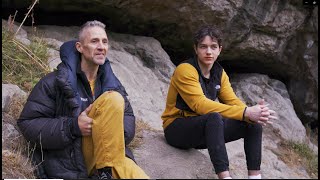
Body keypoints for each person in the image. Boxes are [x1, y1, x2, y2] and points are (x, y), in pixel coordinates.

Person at [17, 20, 149, 179]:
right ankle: (106, 172)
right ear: (79, 47)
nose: (101, 46)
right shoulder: (54, 82)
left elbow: (128, 119)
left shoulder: (112, 83)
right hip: (72, 159)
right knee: (113, 100)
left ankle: (105, 172)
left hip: (110, 155)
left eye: (104, 41)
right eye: (94, 41)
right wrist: (73, 126)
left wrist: (104, 128)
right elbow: (28, 123)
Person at [161, 25, 277, 179]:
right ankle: (225, 177)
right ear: (196, 49)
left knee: (252, 123)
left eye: (213, 47)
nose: (208, 52)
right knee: (214, 117)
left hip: (204, 131)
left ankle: (255, 177)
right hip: (177, 129)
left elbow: (232, 101)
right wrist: (245, 112)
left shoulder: (219, 73)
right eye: (203, 47)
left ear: (219, 49)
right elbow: (200, 105)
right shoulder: (186, 69)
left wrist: (255, 112)